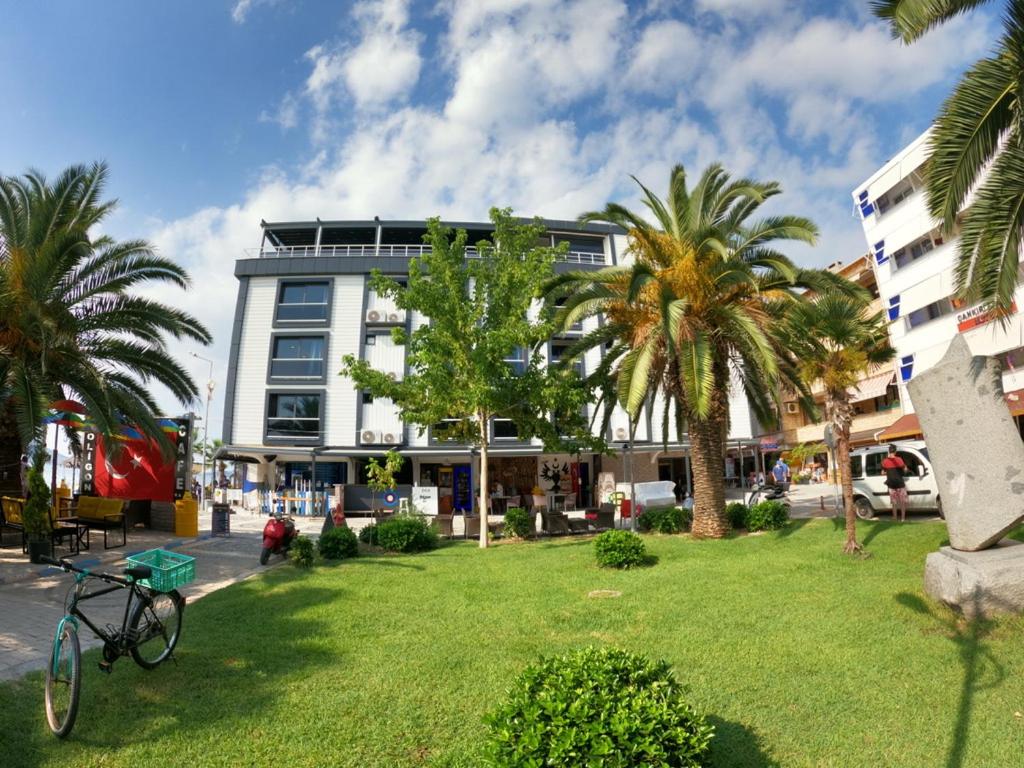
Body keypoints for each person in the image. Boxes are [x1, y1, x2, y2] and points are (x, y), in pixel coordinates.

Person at [881, 444, 908, 522]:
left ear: (889, 451)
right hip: (900, 483)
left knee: (894, 502)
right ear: (895, 451)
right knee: (902, 502)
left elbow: (882, 472)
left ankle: (895, 517)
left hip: (891, 484)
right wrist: (905, 468)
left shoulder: (885, 461)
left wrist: (889, 473)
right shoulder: (899, 459)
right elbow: (905, 470)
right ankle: (903, 519)